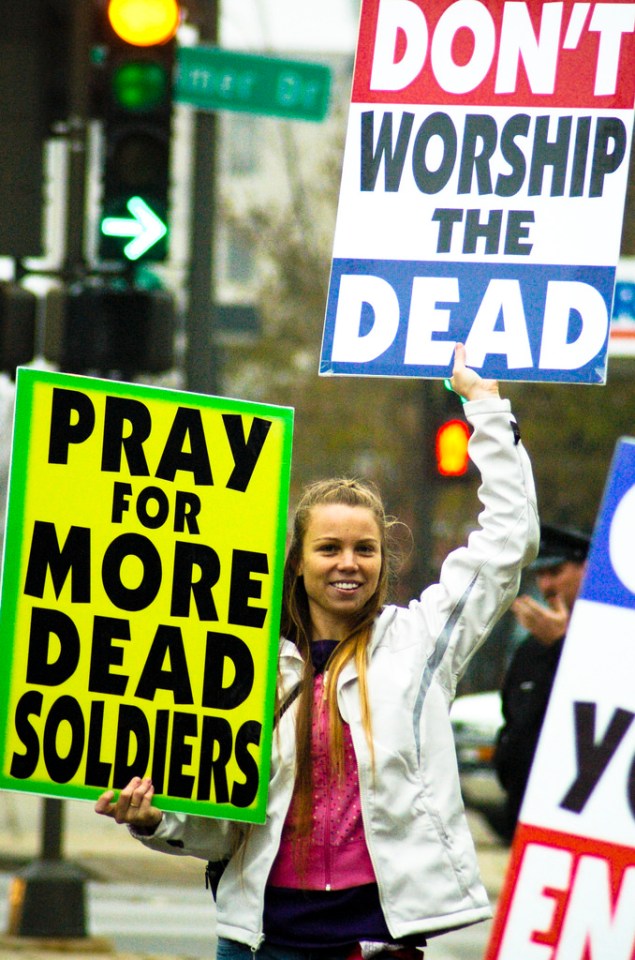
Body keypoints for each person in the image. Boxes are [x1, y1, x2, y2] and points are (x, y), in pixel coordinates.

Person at [95, 343, 539, 960]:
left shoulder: (421, 643)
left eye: (365, 549)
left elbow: (509, 542)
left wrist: (485, 407)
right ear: (298, 560)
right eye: (329, 548)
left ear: (384, 559)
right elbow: (223, 828)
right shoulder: (242, 662)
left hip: (376, 942)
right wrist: (153, 820)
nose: (348, 564)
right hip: (259, 943)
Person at [493, 522, 590, 843]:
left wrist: (564, 646)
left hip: (583, 822)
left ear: (585, 568)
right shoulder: (531, 649)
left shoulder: (616, 640)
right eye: (540, 575)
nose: (546, 586)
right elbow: (513, 724)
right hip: (528, 824)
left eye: (556, 572)